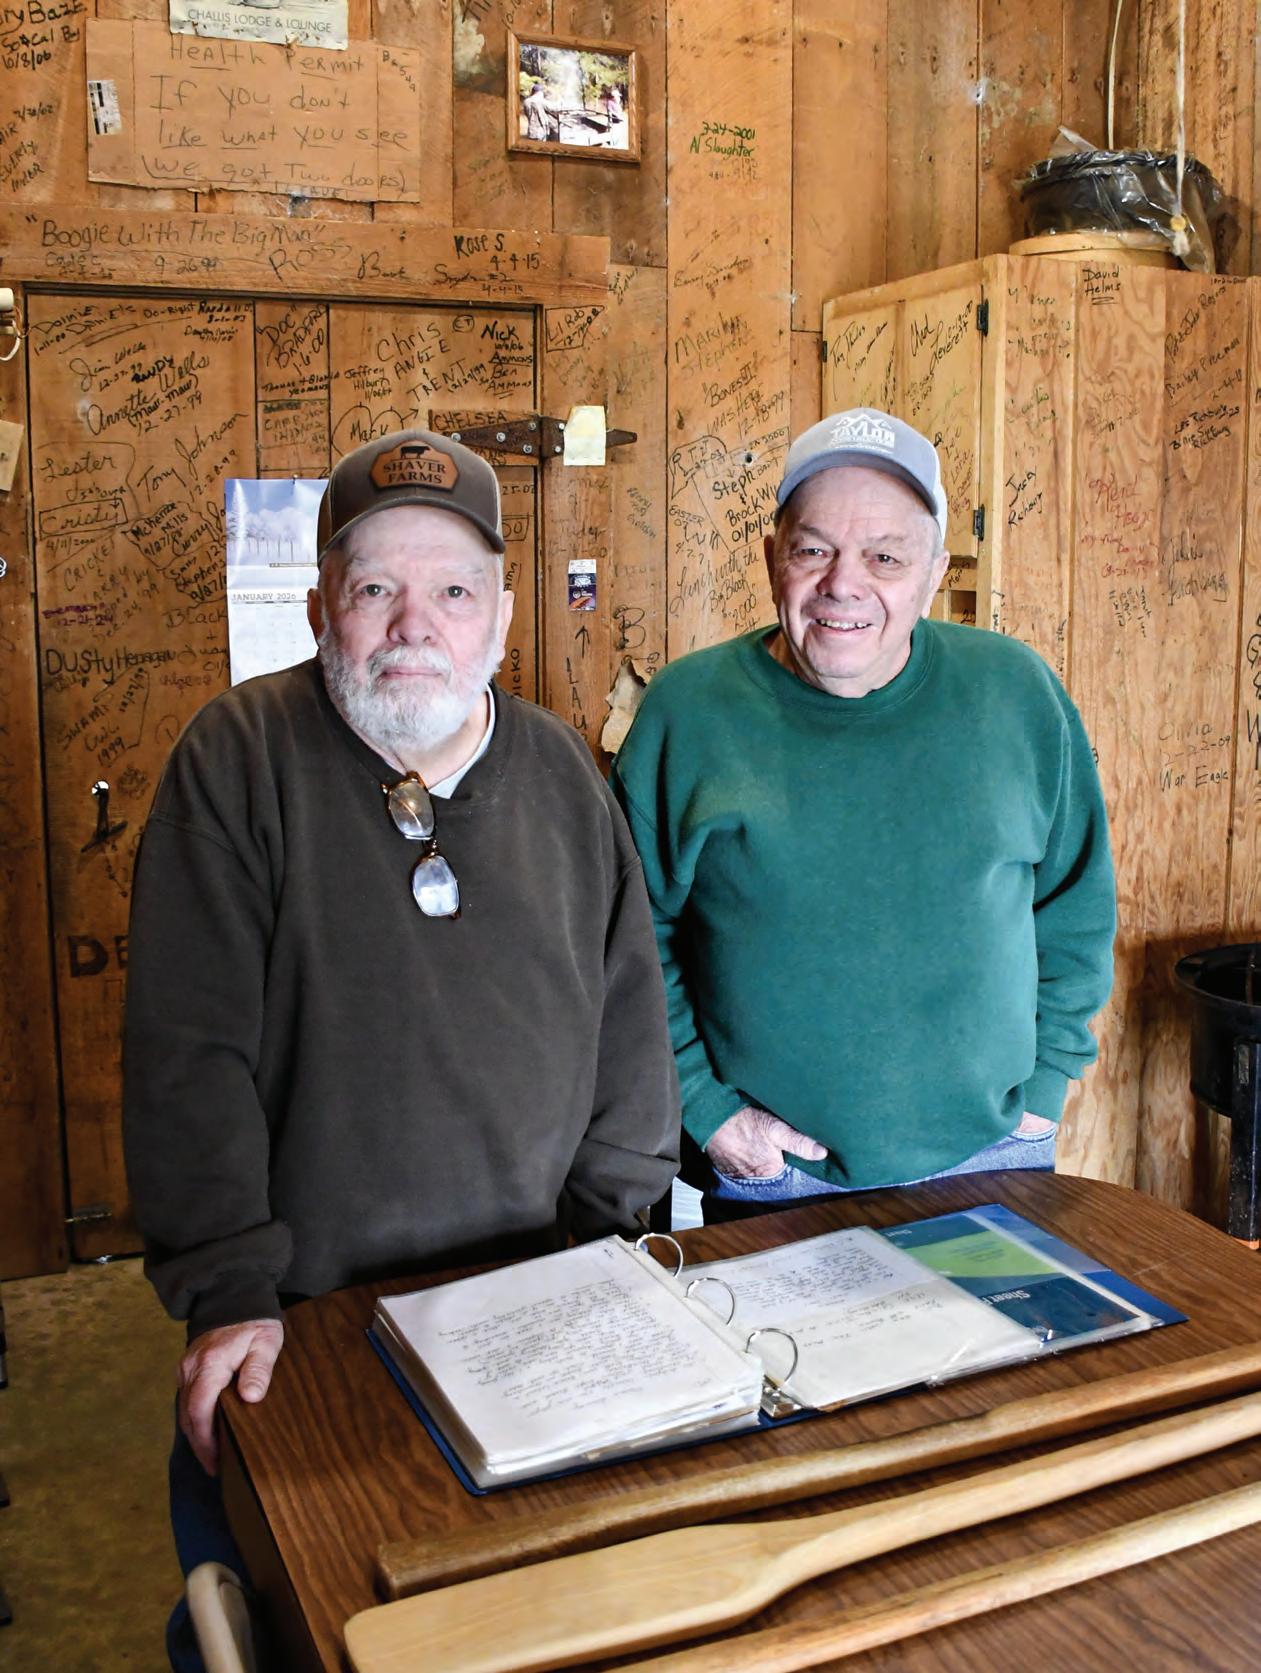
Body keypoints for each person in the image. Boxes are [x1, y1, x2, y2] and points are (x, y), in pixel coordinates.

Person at [123, 428, 679, 1668]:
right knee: (302, 1616)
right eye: (376, 586)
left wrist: (610, 1240)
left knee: (538, 1620)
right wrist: (228, 1290)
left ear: (502, 612)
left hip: (536, 1299)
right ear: (322, 603)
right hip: (307, 1324)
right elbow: (186, 1055)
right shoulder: (237, 758)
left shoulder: (560, 772)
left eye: (452, 590)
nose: (413, 623)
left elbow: (629, 1021)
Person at [611, 407, 1115, 1219]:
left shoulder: (1015, 691)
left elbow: (1075, 907)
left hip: (997, 1156)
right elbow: (630, 940)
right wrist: (706, 1108)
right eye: (813, 550)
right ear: (771, 558)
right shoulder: (688, 710)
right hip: (772, 1172)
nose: (843, 584)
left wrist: (1045, 1084)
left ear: (933, 573)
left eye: (884, 556)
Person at [522, 78, 559, 142]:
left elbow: (526, 114)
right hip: (540, 131)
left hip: (531, 131)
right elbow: (554, 108)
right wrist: (559, 102)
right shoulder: (541, 101)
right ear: (539, 92)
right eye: (542, 92)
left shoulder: (526, 101)